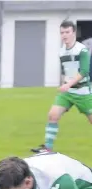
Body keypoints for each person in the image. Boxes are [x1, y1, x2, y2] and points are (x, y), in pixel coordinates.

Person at [31, 21, 92, 153]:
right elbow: (66, 71)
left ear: (73, 33)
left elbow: (84, 72)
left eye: (67, 32)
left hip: (83, 92)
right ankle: (48, 148)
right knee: (53, 115)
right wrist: (64, 82)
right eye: (62, 32)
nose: (64, 35)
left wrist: (68, 84)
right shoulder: (62, 52)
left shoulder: (82, 50)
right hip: (68, 92)